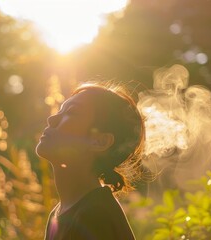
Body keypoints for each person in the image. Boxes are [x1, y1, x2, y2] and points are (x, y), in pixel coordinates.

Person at [36, 82, 145, 240]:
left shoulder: (95, 215)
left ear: (99, 142)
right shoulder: (60, 213)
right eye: (60, 110)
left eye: (71, 112)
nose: (52, 119)